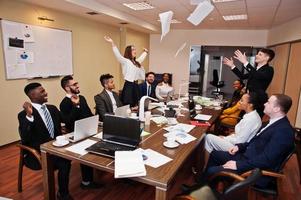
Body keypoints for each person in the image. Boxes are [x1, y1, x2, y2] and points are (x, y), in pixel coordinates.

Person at [203, 94, 294, 188]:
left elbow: (266, 160)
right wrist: (240, 146)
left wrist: (238, 164)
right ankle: (204, 186)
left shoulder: (284, 131)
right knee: (215, 154)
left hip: (254, 170)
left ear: (276, 109)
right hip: (247, 157)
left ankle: (206, 191)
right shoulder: (271, 123)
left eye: (268, 102)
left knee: (212, 171)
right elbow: (255, 141)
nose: (265, 104)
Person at [18, 83, 72, 200]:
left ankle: (63, 192)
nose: (46, 93)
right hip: (38, 154)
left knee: (69, 157)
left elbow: (68, 120)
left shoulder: (52, 108)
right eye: (42, 91)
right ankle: (63, 195)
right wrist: (29, 116)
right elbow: (25, 138)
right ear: (32, 95)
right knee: (64, 162)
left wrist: (76, 105)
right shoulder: (23, 115)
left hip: (56, 149)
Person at [59, 76, 102, 190]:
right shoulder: (64, 103)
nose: (78, 86)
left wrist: (98, 122)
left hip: (89, 130)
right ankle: (86, 182)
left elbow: (88, 113)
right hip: (76, 134)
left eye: (77, 83)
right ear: (67, 88)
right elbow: (68, 122)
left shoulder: (81, 98)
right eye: (75, 84)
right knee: (87, 150)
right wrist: (76, 106)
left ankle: (91, 177)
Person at [223, 48, 275, 117]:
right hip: (248, 99)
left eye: (260, 54)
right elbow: (242, 76)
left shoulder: (269, 69)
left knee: (252, 123)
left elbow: (257, 75)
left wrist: (245, 62)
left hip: (258, 101)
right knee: (242, 119)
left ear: (267, 58)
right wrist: (232, 66)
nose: (256, 56)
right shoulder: (256, 69)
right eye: (257, 54)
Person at [104, 36, 148, 107]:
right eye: (132, 50)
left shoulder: (136, 62)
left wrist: (145, 52)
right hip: (129, 85)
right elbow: (118, 55)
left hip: (136, 85)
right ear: (128, 52)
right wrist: (112, 43)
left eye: (135, 49)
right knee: (128, 105)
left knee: (137, 104)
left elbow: (141, 58)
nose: (135, 51)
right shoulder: (126, 61)